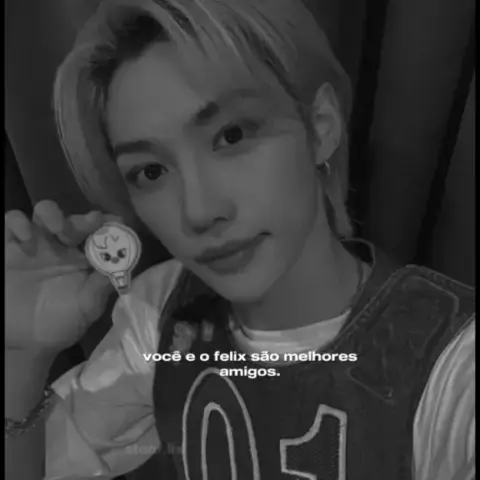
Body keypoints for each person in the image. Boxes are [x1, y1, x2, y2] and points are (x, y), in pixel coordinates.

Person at [5, 0, 475, 479]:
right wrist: (21, 358)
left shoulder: (452, 362)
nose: (199, 211)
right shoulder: (161, 311)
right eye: (151, 171)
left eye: (232, 135)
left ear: (321, 126)